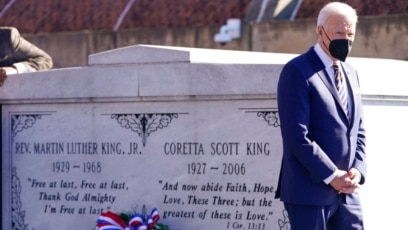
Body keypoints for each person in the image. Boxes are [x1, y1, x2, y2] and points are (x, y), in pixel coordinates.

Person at [275, 2, 367, 229]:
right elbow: (296, 136)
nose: (345, 40)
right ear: (320, 31)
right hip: (309, 194)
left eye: (350, 34)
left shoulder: (351, 72)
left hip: (348, 195)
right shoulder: (297, 71)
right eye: (339, 33)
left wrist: (358, 170)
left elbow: (358, 129)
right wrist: (332, 175)